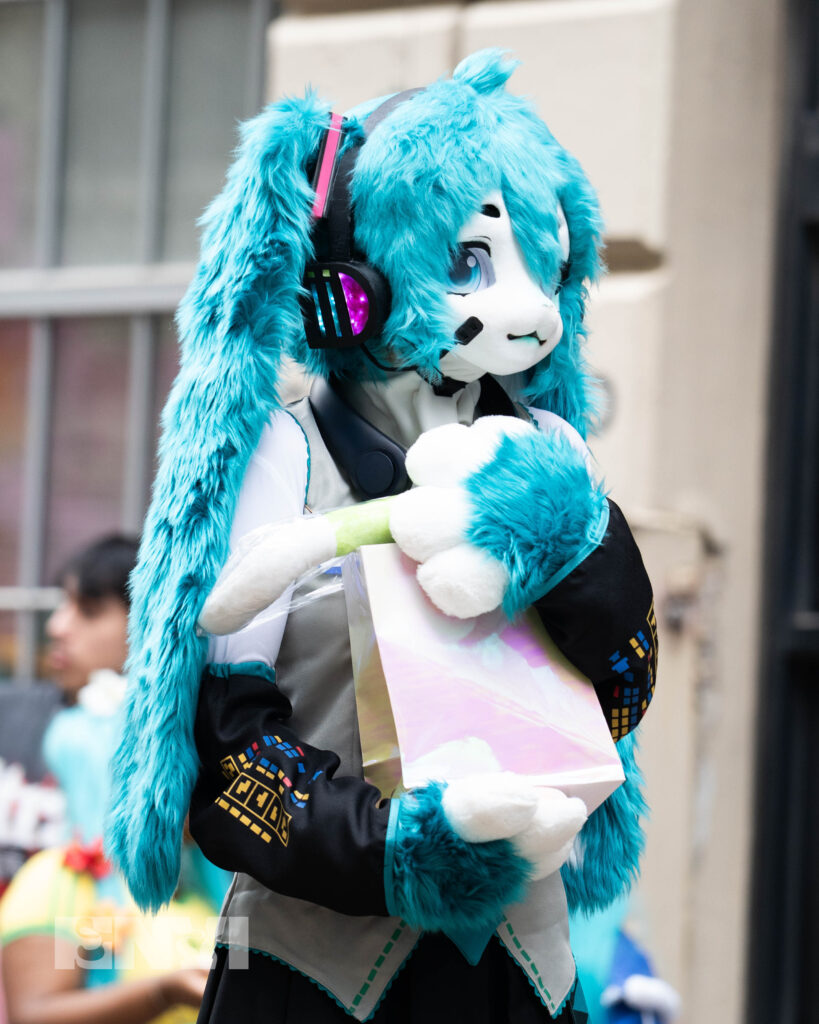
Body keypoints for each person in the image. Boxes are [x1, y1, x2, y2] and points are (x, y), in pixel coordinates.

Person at [109, 50, 657, 1023]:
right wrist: (400, 848)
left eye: (544, 255)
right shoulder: (286, 457)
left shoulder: (552, 452)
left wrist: (574, 542)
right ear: (350, 278)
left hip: (526, 975)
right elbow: (232, 762)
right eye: (472, 260)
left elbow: (622, 687)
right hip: (318, 975)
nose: (525, 308)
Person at [0, 535, 214, 1024]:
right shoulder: (62, 887)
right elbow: (37, 1015)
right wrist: (163, 993)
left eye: (89, 609)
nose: (56, 627)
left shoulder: (218, 885)